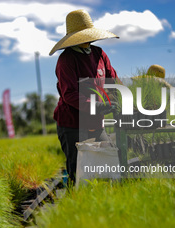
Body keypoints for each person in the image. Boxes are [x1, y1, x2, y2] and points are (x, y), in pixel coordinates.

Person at [49, 9, 122, 184]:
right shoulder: (66, 60)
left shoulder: (99, 54)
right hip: (73, 123)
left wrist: (121, 98)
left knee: (108, 161)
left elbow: (113, 80)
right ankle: (76, 201)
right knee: (78, 169)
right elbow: (70, 94)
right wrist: (95, 105)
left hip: (96, 122)